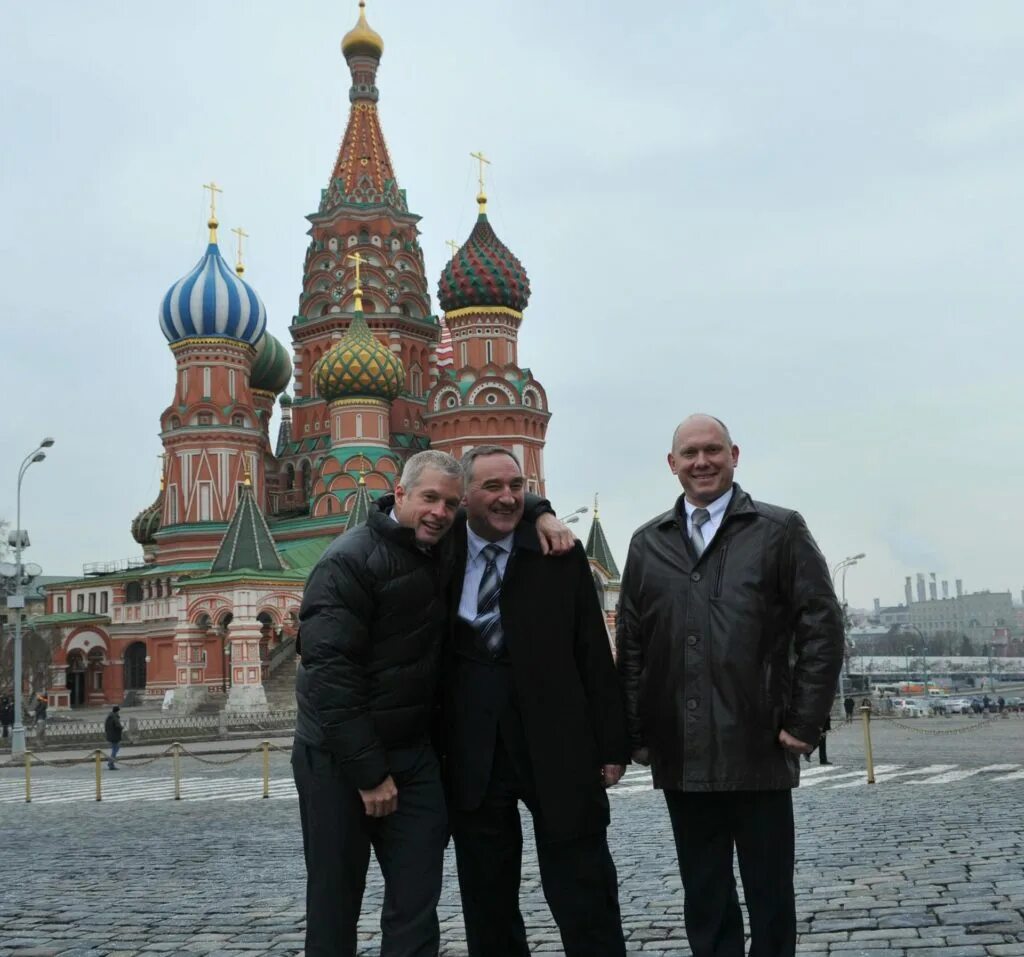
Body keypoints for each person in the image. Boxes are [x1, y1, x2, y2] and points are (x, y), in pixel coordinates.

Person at [291, 449, 571, 957]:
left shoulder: (442, 543)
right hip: (337, 759)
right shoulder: (346, 562)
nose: (439, 512)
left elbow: (499, 501)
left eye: (449, 502)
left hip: (413, 756)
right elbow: (330, 675)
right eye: (428, 499)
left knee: (417, 902)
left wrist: (540, 510)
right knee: (335, 901)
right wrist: (367, 772)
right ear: (398, 494)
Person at [617, 414, 844, 957]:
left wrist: (804, 722)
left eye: (713, 450)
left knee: (770, 894)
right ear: (672, 465)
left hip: (759, 745)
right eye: (690, 454)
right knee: (705, 893)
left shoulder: (778, 529)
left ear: (734, 455)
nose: (702, 462)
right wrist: (634, 732)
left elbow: (822, 626)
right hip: (682, 752)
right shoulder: (648, 543)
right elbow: (631, 646)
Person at [443, 445, 630, 957]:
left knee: (584, 892)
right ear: (462, 497)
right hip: (475, 753)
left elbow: (592, 650)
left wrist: (612, 745)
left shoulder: (558, 555)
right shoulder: (440, 550)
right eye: (492, 488)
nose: (507, 498)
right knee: (488, 901)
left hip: (559, 747)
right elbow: (389, 514)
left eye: (517, 487)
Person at [105, 705, 123, 770]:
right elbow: (118, 726)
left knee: (114, 749)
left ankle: (111, 762)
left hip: (110, 735)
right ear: (117, 711)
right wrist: (121, 728)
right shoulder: (115, 717)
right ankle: (111, 763)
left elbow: (106, 727)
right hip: (115, 736)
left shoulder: (109, 717)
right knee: (115, 749)